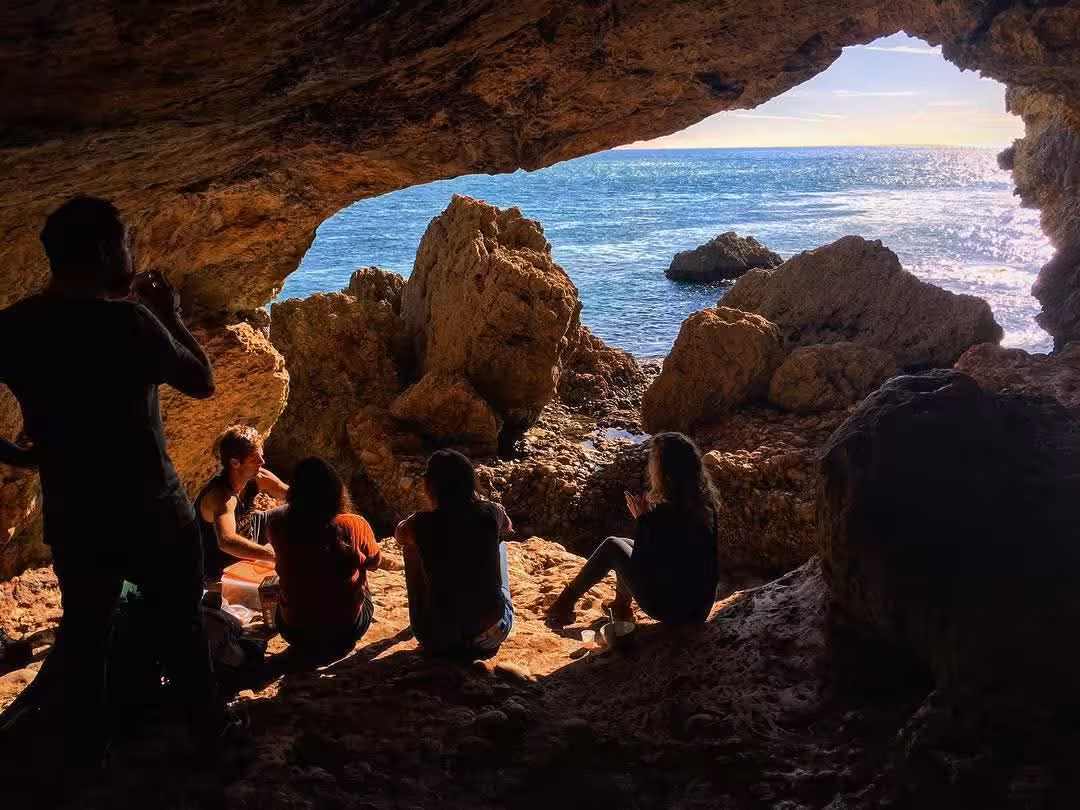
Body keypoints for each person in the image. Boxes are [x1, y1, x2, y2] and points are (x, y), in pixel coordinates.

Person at [0, 196, 235, 771]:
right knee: (181, 629)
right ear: (106, 251)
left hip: (76, 510)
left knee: (85, 634)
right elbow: (202, 381)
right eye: (126, 242)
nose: (130, 253)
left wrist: (23, 458)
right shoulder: (129, 321)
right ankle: (207, 739)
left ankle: (85, 752)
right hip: (152, 508)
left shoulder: (14, 326)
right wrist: (168, 312)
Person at [546, 432, 720, 627]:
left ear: (666, 470)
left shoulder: (666, 513)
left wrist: (644, 520)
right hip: (701, 607)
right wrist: (649, 522)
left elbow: (645, 561)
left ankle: (563, 604)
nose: (650, 465)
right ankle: (621, 606)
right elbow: (679, 557)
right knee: (624, 545)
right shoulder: (704, 504)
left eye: (654, 460)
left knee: (612, 546)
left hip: (675, 610)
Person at [396, 450, 514, 659]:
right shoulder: (490, 511)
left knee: (411, 547)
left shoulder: (420, 522)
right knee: (500, 542)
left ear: (430, 485)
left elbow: (399, 536)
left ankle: (421, 612)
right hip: (492, 634)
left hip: (437, 640)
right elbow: (508, 526)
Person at [266, 457, 381, 659]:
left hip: (294, 632)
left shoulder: (278, 526)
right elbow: (374, 562)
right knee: (361, 571)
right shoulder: (354, 524)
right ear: (337, 491)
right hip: (346, 632)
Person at [195, 424, 289, 583]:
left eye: (261, 455)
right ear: (235, 462)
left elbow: (292, 493)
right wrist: (272, 555)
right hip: (222, 563)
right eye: (255, 458)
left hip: (251, 531)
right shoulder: (221, 496)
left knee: (298, 508)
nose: (262, 461)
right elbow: (227, 541)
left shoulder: (257, 477)